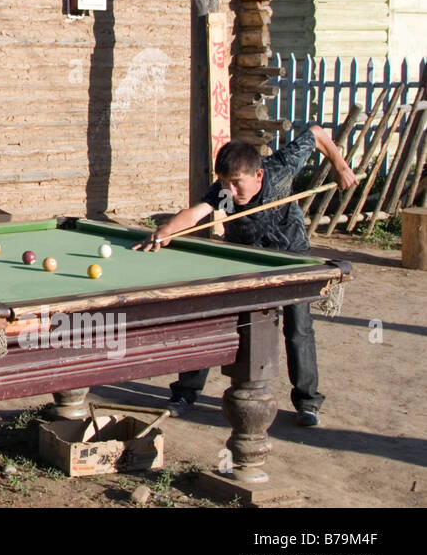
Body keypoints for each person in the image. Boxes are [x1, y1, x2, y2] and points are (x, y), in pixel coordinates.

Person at [134, 126, 357, 427]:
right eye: (226, 184)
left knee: (298, 328)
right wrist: (167, 230)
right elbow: (197, 212)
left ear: (258, 176)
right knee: (215, 319)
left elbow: (316, 134)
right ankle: (185, 393)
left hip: (289, 257)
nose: (232, 192)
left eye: (238, 184)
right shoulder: (223, 191)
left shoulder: (279, 169)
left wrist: (340, 167)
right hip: (243, 259)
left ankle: (307, 402)